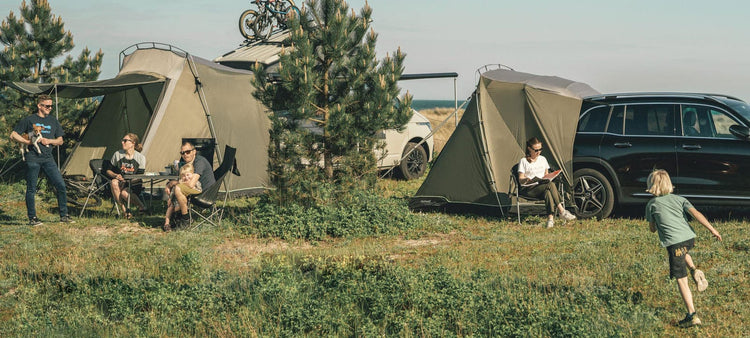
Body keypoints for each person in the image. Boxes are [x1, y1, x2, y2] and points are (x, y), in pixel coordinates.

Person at [645, 169, 722, 328]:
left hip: (674, 243)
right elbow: (696, 214)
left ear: (652, 186)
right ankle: (694, 270)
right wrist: (712, 229)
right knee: (683, 252)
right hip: (689, 239)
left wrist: (656, 224)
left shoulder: (651, 205)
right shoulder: (680, 199)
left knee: (682, 280)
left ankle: (692, 315)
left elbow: (652, 229)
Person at [9, 95, 73, 225]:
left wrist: (49, 140)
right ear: (39, 106)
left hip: (48, 159)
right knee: (31, 189)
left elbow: (60, 140)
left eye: (51, 106)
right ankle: (32, 218)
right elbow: (13, 135)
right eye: (47, 106)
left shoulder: (53, 121)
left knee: (60, 185)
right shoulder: (29, 120)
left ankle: (64, 215)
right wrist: (27, 141)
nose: (50, 108)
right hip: (33, 158)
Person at [517, 137, 576, 228]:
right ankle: (562, 211)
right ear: (529, 149)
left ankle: (550, 220)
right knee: (550, 185)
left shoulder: (543, 159)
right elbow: (520, 179)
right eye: (536, 150)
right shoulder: (523, 161)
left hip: (542, 187)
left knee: (548, 191)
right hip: (529, 189)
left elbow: (546, 175)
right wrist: (526, 179)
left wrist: (550, 176)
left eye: (540, 149)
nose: (538, 152)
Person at [163, 141, 215, 231]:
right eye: (182, 153)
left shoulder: (200, 162)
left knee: (178, 188)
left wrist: (173, 183)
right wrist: (170, 184)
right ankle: (175, 217)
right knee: (176, 187)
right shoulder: (186, 163)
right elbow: (181, 179)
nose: (185, 155)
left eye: (188, 152)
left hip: (205, 193)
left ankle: (185, 220)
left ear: (194, 152)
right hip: (195, 190)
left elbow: (191, 184)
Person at [106, 133, 147, 219]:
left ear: (133, 143)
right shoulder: (118, 154)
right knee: (113, 182)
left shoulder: (140, 158)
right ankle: (125, 211)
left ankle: (142, 207)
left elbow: (139, 176)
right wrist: (115, 175)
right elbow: (108, 171)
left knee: (125, 193)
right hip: (120, 181)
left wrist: (126, 182)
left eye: (125, 141)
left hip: (134, 183)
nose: (122, 142)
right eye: (122, 140)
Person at [164, 163, 203, 231]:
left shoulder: (194, 182)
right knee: (170, 207)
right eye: (183, 176)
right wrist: (170, 198)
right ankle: (166, 223)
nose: (186, 177)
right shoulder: (181, 182)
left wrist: (192, 187)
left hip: (187, 199)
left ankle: (179, 219)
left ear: (192, 174)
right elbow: (173, 190)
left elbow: (199, 189)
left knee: (176, 208)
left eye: (188, 175)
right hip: (177, 199)